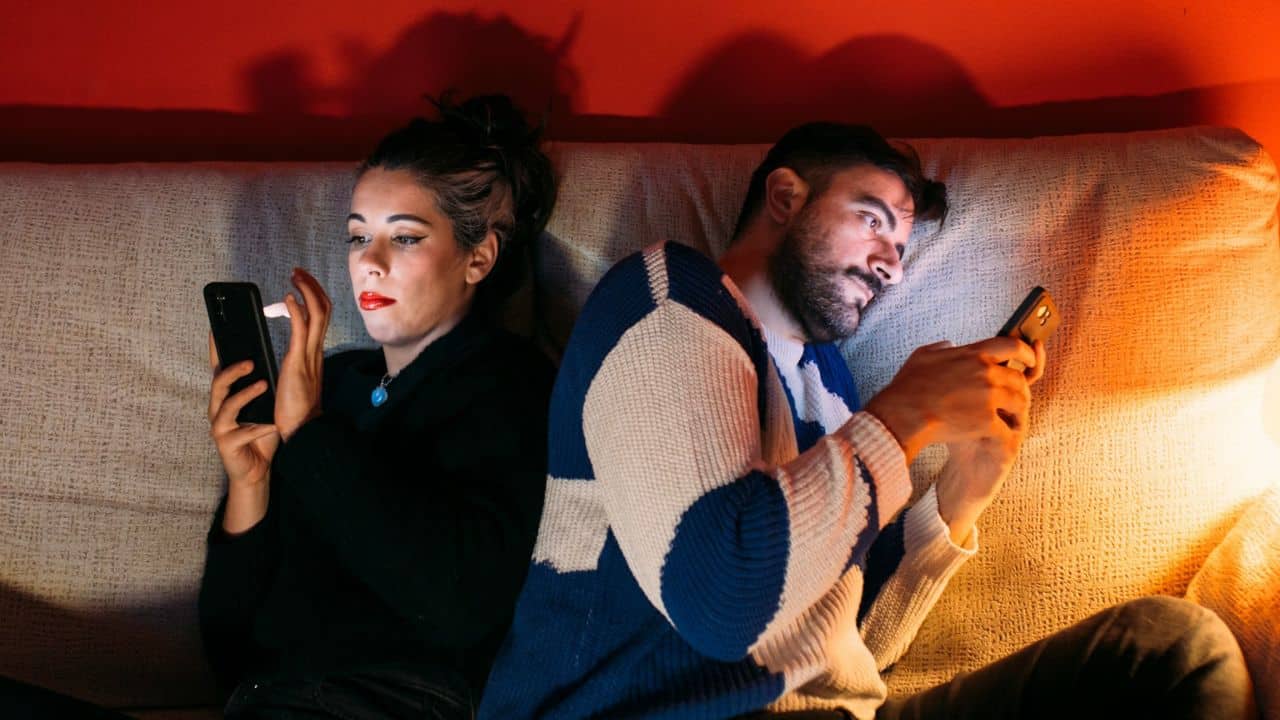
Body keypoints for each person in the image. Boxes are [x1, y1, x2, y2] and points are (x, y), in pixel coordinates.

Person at [477, 123, 1255, 719]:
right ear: (785, 197)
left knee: (1174, 651)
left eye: (904, 245)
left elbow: (853, 650)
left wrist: (963, 491)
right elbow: (719, 598)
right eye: (875, 221)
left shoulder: (830, 391)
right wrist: (905, 415)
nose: (892, 262)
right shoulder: (666, 296)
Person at [200, 93, 557, 719]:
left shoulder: (510, 384)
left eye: (406, 237)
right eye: (359, 235)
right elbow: (230, 654)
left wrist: (308, 437)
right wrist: (249, 484)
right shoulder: (331, 382)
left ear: (478, 258)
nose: (370, 262)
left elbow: (455, 606)